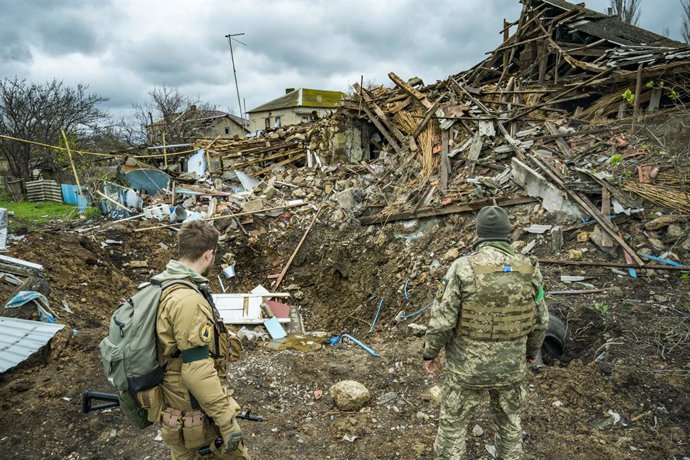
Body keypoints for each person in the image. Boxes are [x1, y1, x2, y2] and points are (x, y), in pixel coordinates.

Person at [423, 206, 549, 460]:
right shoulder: (528, 268)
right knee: (509, 423)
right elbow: (541, 320)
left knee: (453, 425)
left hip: (467, 369)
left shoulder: (462, 268)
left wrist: (430, 353)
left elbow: (443, 320)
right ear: (507, 233)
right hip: (511, 367)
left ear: (478, 234)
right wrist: (531, 352)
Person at [151, 221, 250, 459]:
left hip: (175, 405)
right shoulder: (187, 300)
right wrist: (226, 421)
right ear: (208, 254)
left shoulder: (160, 284)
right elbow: (196, 370)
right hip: (193, 406)